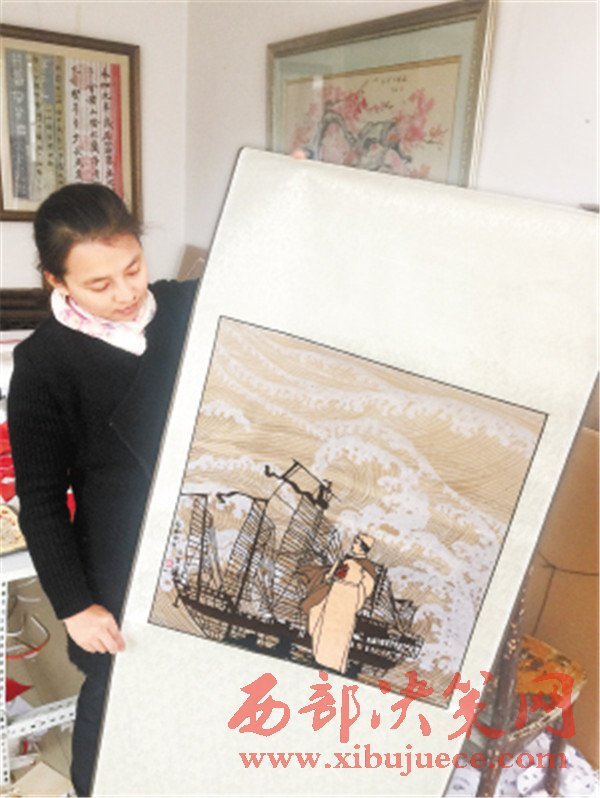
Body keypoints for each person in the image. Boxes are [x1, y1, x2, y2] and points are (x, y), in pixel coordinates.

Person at [7, 183, 197, 796]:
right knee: (115, 701)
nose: (125, 294)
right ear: (56, 280)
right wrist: (74, 606)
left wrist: (290, 195)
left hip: (200, 537)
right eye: (99, 284)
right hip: (116, 558)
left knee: (199, 698)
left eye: (133, 268)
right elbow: (40, 501)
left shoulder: (186, 307)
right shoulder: (44, 363)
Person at [299, 532, 377, 674]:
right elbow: (333, 576)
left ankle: (333, 664)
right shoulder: (346, 560)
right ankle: (319, 659)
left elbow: (367, 589)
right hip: (334, 595)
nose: (353, 545)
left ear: (363, 547)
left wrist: (353, 596)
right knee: (323, 624)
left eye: (356, 543)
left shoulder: (367, 568)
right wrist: (330, 577)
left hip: (347, 600)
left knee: (339, 632)